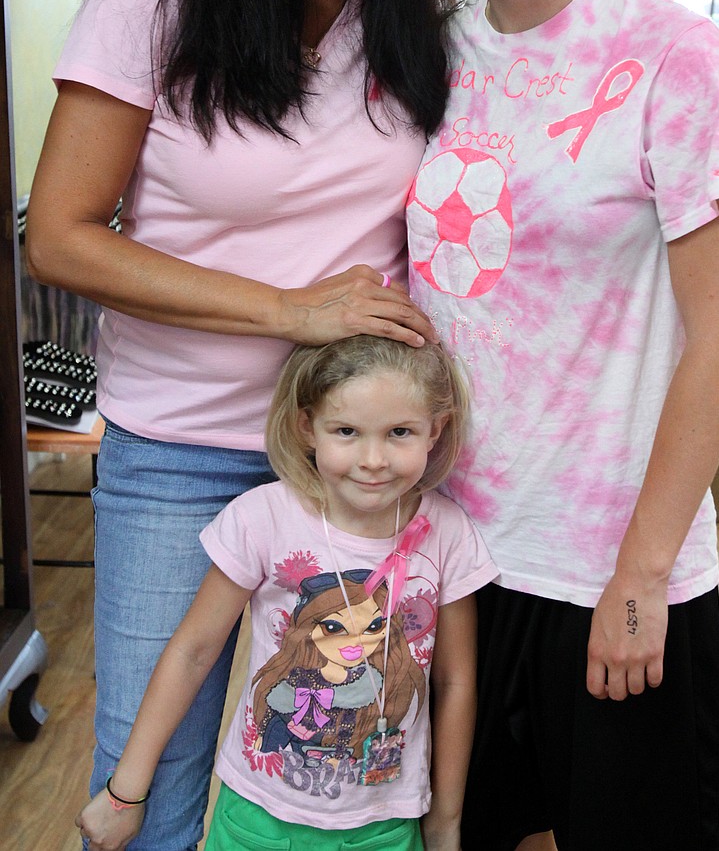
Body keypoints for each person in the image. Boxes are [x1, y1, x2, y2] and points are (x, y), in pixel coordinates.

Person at [25, 0, 480, 850]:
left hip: (364, 462)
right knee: (154, 787)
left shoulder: (411, 6)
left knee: (336, 775)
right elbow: (59, 237)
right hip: (182, 448)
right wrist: (291, 312)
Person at [405, 0, 719, 851]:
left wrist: (641, 573)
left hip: (608, 558)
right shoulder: (431, 54)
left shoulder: (670, 56)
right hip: (457, 549)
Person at [75, 335, 496, 851]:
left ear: (436, 429)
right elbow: (192, 652)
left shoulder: (450, 535)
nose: (373, 459)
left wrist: (446, 823)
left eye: (399, 432)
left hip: (385, 828)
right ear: (306, 427)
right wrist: (125, 795)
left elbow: (456, 683)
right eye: (346, 431)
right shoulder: (262, 518)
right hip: (255, 820)